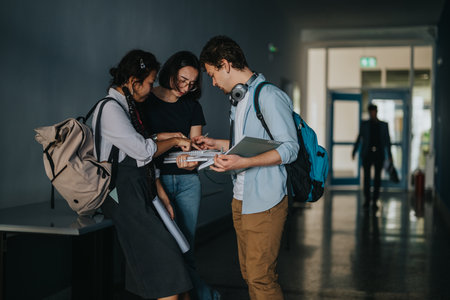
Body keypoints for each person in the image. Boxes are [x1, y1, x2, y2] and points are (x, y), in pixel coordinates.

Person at [183, 35, 299, 300]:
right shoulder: (238, 99)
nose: (212, 82)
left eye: (212, 74)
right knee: (250, 276)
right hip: (241, 200)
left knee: (261, 279)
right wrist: (216, 145)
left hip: (266, 202)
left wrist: (244, 162)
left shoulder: (268, 95)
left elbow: (290, 148)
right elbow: (247, 145)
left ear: (225, 64)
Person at [92, 49, 194, 300]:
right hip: (119, 194)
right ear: (133, 82)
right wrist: (173, 142)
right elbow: (143, 150)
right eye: (149, 83)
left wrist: (161, 195)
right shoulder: (110, 110)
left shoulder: (124, 107)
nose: (151, 89)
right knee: (168, 271)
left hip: (137, 190)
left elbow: (141, 151)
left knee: (174, 271)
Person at [139, 51, 220, 300]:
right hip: (154, 182)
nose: (186, 87)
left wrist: (192, 161)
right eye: (183, 80)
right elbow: (139, 146)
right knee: (161, 251)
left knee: (186, 250)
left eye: (192, 84)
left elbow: (197, 148)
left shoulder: (192, 106)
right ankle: (206, 296)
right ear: (171, 73)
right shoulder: (144, 100)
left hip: (187, 183)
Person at [352, 104, 393, 210]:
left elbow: (388, 141)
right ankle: (367, 200)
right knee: (366, 178)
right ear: (369, 113)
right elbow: (359, 138)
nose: (372, 114)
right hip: (367, 154)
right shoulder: (364, 124)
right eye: (370, 112)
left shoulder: (384, 125)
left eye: (374, 111)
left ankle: (375, 200)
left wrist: (390, 155)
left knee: (377, 179)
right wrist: (354, 151)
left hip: (379, 154)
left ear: (376, 112)